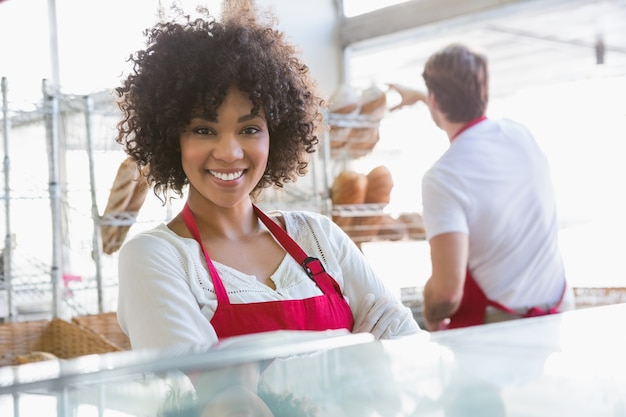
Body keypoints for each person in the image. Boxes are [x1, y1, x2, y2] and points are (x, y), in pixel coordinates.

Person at [114, 3, 421, 351]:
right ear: (173, 139)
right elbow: (205, 391)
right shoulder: (154, 256)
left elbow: (405, 345)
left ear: (275, 134)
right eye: (203, 129)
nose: (229, 152)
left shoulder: (318, 236)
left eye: (249, 129)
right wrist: (346, 345)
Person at [393, 43, 575, 331]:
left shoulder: (442, 177)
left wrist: (429, 311)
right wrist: (422, 97)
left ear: (435, 101)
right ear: (484, 93)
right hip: (560, 315)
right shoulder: (521, 135)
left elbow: (446, 294)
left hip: (502, 332)